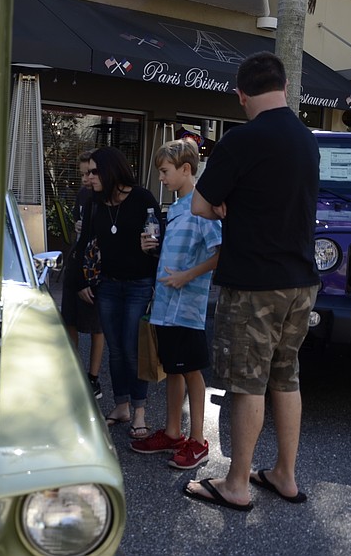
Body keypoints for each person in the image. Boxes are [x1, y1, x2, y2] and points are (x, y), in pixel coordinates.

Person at [184, 51, 320, 511]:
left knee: (246, 382)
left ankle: (238, 482)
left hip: (254, 282)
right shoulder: (307, 139)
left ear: (241, 95)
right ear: (283, 87)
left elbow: (200, 205)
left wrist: (225, 205)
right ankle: (285, 473)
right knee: (286, 377)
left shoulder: (241, 140)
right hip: (301, 279)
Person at [130, 138, 221, 470]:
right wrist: (151, 248)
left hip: (187, 307)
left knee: (192, 371)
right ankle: (172, 432)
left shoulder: (202, 208)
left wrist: (186, 276)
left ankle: (197, 439)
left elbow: (219, 253)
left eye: (166, 172)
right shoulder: (178, 207)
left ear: (186, 169)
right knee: (173, 369)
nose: (162, 179)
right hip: (167, 306)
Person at [77, 146, 160, 439]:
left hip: (138, 284)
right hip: (108, 284)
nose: (89, 178)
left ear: (111, 170)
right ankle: (121, 406)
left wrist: (153, 248)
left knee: (132, 349)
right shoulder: (95, 202)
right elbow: (85, 242)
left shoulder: (142, 198)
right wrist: (83, 281)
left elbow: (158, 240)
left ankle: (139, 412)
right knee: (115, 349)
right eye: (87, 173)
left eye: (94, 172)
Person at [61, 150, 106, 399]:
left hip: (96, 270)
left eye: (89, 173)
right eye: (82, 174)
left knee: (97, 326)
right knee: (69, 321)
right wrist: (78, 226)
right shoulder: (82, 195)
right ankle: (72, 372)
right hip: (76, 263)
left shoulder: (108, 198)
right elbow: (78, 228)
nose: (85, 179)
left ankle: (93, 378)